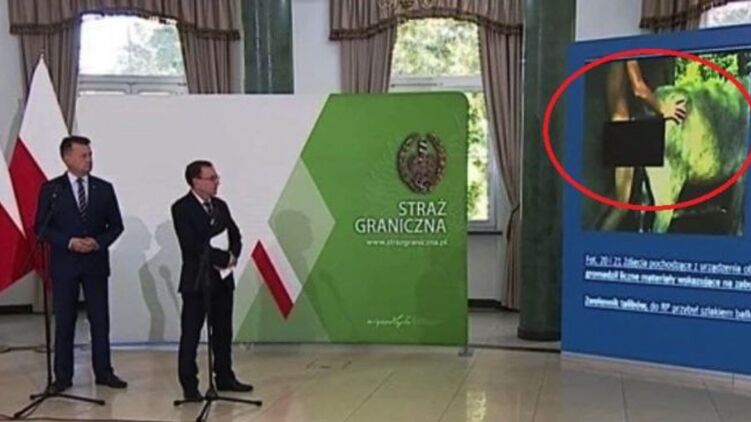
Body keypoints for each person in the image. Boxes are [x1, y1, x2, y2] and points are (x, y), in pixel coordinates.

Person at [35, 135, 126, 393]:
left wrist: (98, 242)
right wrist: (69, 242)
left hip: (95, 263)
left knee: (100, 320)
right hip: (65, 264)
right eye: (83, 155)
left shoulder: (103, 188)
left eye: (90, 155)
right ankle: (63, 377)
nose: (89, 160)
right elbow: (41, 226)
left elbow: (116, 225)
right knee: (65, 321)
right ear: (67, 158)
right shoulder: (52, 190)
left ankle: (104, 372)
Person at [171, 160, 252, 402]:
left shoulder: (220, 206)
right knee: (191, 333)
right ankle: (189, 384)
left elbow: (235, 234)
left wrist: (233, 255)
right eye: (212, 178)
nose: (217, 182)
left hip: (222, 280)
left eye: (217, 178)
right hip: (197, 281)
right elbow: (192, 245)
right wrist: (221, 258)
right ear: (196, 181)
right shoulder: (182, 208)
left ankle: (224, 376)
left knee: (223, 331)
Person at [598, 60, 687, 230]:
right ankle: (596, 243)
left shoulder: (613, 61)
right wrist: (664, 109)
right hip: (625, 129)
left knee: (619, 196)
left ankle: (597, 235)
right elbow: (638, 88)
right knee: (622, 205)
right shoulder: (626, 52)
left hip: (621, 126)